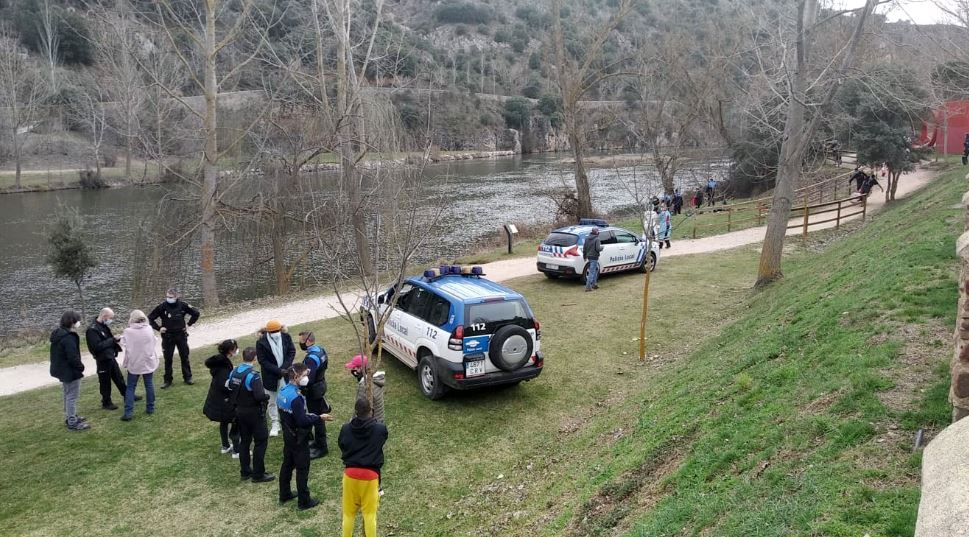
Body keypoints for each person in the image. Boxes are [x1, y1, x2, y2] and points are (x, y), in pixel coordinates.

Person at [278, 363, 333, 510]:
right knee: (302, 469)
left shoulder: (282, 391)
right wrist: (319, 417)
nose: (306, 378)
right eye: (304, 376)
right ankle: (304, 501)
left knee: (287, 464)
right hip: (298, 437)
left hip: (288, 434)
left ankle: (284, 493)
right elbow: (302, 420)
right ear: (296, 377)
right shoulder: (296, 398)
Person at [340, 397, 389, 537]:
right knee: (369, 515)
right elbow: (383, 438)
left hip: (350, 474)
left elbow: (342, 444)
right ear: (371, 411)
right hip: (370, 476)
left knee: (348, 514)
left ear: (356, 412)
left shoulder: (345, 429)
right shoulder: (379, 429)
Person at [227, 347, 275, 483]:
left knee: (245, 442)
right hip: (254, 413)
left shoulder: (234, 371)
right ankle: (258, 474)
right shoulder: (253, 375)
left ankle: (245, 471)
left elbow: (229, 387)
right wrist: (266, 396)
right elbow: (259, 396)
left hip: (239, 411)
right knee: (260, 441)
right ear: (255, 359)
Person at [85, 307, 139, 410]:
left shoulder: (103, 326)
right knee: (105, 381)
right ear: (104, 316)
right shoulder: (92, 330)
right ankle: (106, 402)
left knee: (119, 377)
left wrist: (115, 341)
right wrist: (112, 340)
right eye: (110, 318)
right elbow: (96, 347)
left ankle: (127, 396)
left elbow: (107, 339)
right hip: (102, 359)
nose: (111, 320)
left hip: (110, 357)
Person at [148, 288, 200, 389]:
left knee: (184, 357)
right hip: (168, 336)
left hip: (181, 335)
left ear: (177, 297)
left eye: (171, 297)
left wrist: (189, 324)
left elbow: (196, 313)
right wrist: (158, 328)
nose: (168, 299)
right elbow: (150, 318)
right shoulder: (162, 306)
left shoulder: (183, 305)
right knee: (168, 359)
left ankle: (187, 377)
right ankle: (167, 380)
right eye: (167, 297)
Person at [50, 310, 89, 431]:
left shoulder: (58, 334)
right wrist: (80, 367)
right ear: (72, 322)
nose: (79, 323)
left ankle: (70, 416)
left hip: (61, 369)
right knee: (72, 396)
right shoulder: (68, 338)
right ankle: (72, 422)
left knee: (67, 394)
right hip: (69, 370)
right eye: (77, 321)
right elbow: (72, 356)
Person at [256, 320, 296, 437]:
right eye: (273, 331)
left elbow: (291, 352)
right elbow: (262, 360)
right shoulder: (261, 342)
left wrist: (285, 367)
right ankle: (275, 423)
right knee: (272, 401)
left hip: (286, 374)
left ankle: (288, 420)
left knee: (287, 397)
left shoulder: (286, 337)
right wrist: (278, 371)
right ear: (268, 332)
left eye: (277, 331)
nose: (275, 333)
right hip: (270, 376)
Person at [204, 339, 240, 457]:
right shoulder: (223, 367)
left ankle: (225, 445)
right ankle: (236, 450)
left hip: (217, 398)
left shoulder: (220, 362)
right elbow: (225, 384)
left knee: (224, 422)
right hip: (224, 400)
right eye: (235, 349)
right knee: (235, 421)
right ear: (230, 351)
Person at [120, 309, 158, 421]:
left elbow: (124, 343)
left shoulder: (128, 331)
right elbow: (154, 340)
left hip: (134, 362)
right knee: (149, 384)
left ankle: (128, 413)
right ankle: (150, 408)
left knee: (131, 387)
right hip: (147, 361)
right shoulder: (149, 329)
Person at [299, 331, 330, 458]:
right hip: (320, 384)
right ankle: (318, 442)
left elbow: (308, 379)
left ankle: (321, 447)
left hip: (313, 390)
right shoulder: (320, 350)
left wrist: (299, 384)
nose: (300, 343)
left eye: (301, 341)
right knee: (317, 415)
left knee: (317, 418)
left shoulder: (311, 358)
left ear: (308, 341)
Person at [346, 355, 385, 423]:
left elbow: (359, 408)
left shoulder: (364, 385)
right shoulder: (377, 379)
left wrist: (352, 422)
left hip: (370, 422)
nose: (354, 371)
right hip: (379, 417)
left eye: (355, 368)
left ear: (362, 368)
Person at [582, 227, 603, 293]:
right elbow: (598, 249)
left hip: (589, 256)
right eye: (598, 231)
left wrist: (584, 256)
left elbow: (584, 248)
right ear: (596, 232)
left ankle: (594, 284)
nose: (598, 231)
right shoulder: (597, 239)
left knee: (596, 269)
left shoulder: (587, 238)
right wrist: (602, 248)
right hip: (594, 257)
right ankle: (588, 287)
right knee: (592, 271)